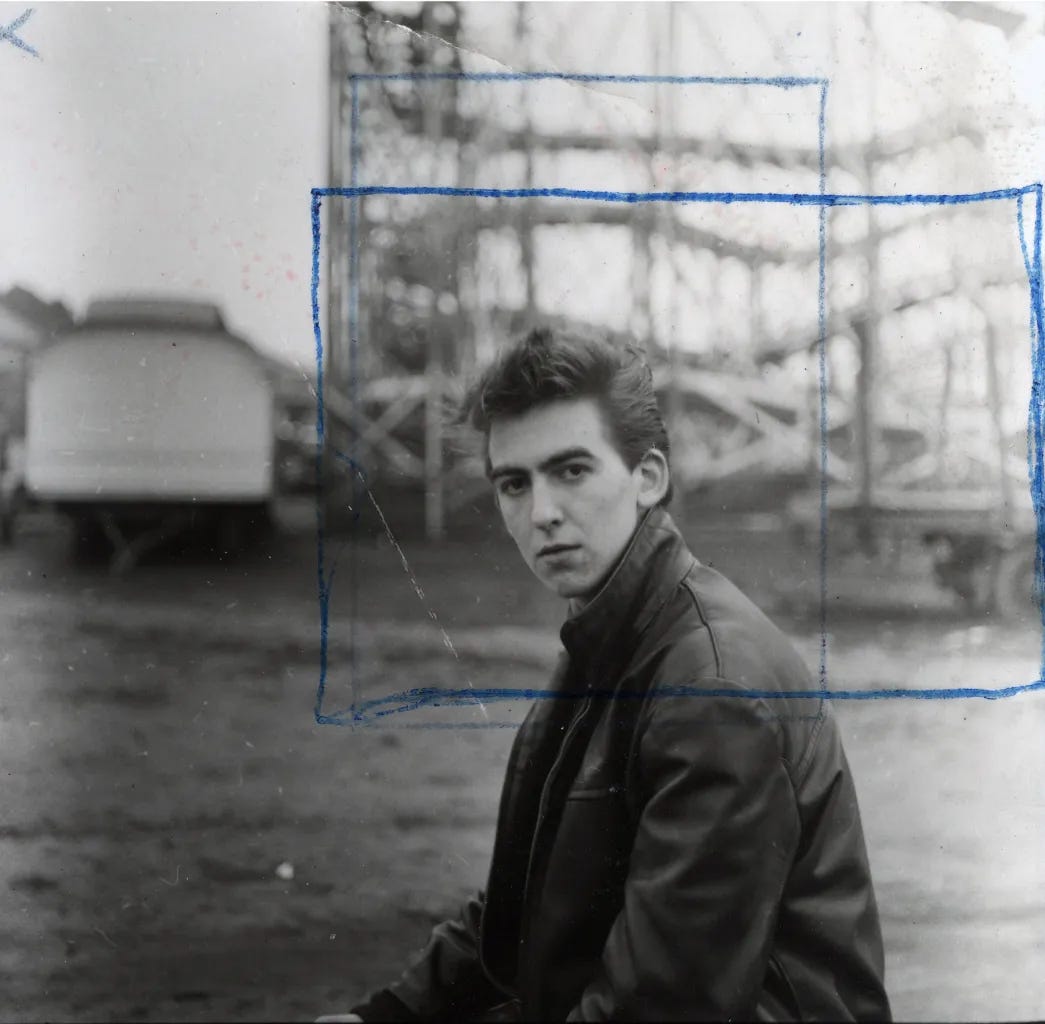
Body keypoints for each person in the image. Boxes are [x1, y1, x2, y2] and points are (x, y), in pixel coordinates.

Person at [327, 327, 890, 1022]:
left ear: (647, 478)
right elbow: (527, 904)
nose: (542, 514)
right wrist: (386, 1016)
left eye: (571, 471)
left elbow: (664, 1005)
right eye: (514, 483)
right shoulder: (613, 637)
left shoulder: (708, 688)